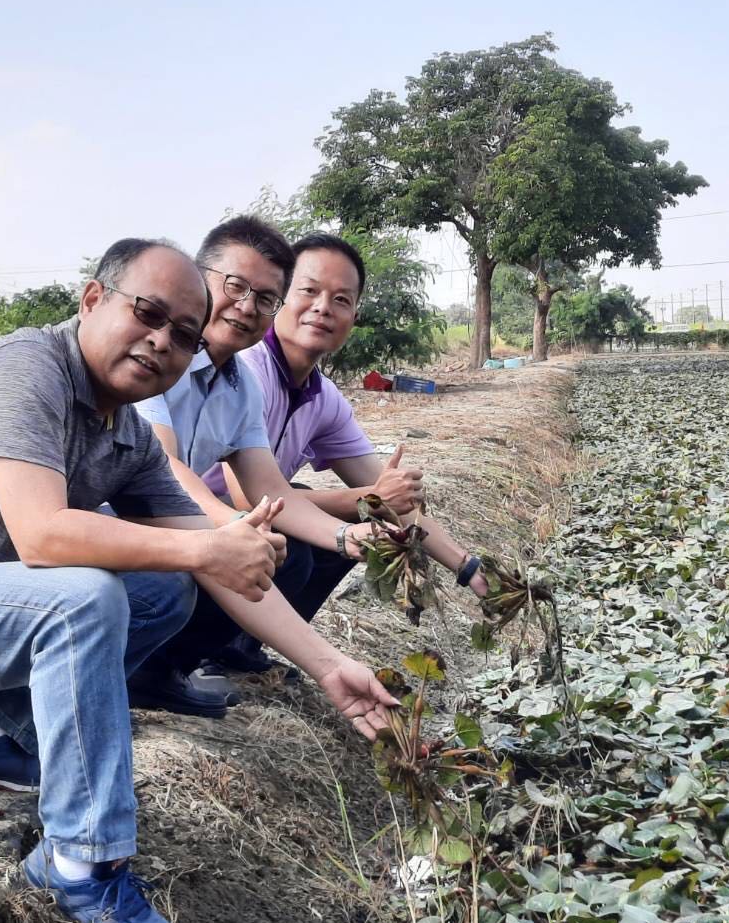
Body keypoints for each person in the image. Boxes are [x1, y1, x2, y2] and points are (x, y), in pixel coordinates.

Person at [0, 238, 398, 923]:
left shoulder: (127, 436)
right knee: (86, 594)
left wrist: (330, 667)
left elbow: (214, 565)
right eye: (146, 314)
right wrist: (207, 546)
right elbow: (43, 534)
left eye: (182, 335)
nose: (160, 343)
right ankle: (83, 863)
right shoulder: (27, 367)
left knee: (160, 588)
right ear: (92, 299)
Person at [143, 229, 489, 688]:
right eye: (308, 291)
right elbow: (185, 478)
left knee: (336, 533)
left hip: (229, 520)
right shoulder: (237, 367)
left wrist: (466, 566)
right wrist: (361, 503)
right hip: (183, 522)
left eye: (341, 299)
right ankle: (184, 659)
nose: (324, 308)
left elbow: (283, 489)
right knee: (293, 547)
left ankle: (235, 647)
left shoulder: (290, 391)